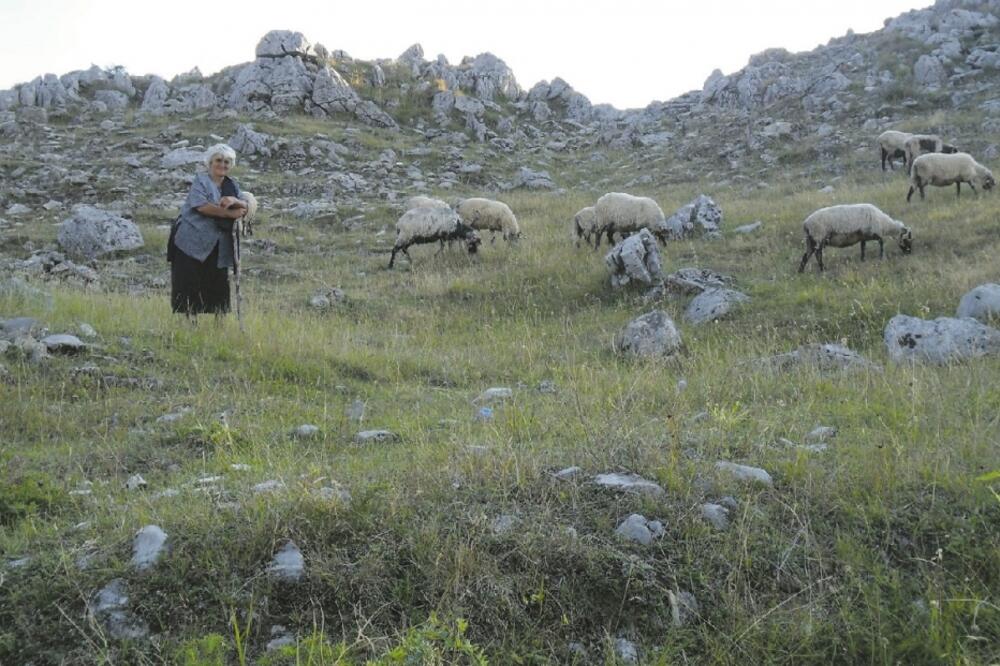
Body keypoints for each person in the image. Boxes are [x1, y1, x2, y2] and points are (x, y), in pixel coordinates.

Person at [168, 144, 248, 317]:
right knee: (189, 280)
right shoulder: (201, 181)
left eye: (227, 162)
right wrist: (229, 213)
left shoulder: (232, 185)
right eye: (219, 160)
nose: (223, 165)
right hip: (191, 240)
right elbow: (201, 206)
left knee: (218, 282)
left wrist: (235, 200)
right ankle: (189, 321)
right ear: (210, 163)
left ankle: (219, 321)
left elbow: (245, 205)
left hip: (218, 245)